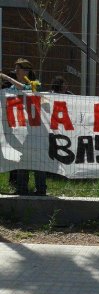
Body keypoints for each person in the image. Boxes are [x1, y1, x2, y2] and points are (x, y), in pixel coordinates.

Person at [0, 58, 47, 196]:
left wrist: (6, 77)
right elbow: (7, 93)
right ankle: (22, 188)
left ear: (26, 71)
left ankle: (41, 189)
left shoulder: (35, 84)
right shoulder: (14, 88)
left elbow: (27, 90)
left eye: (18, 69)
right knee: (23, 159)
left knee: (37, 160)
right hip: (22, 130)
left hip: (37, 130)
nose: (16, 72)